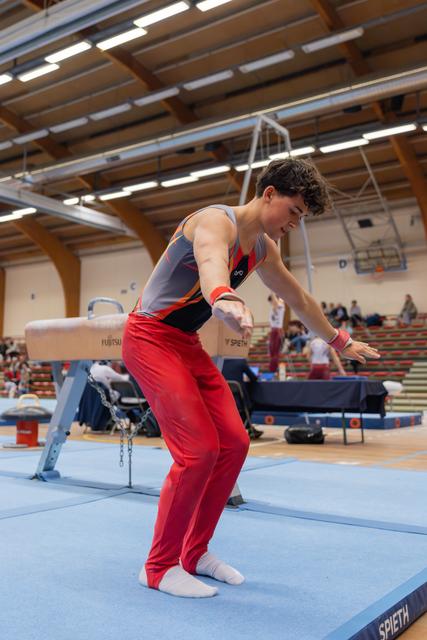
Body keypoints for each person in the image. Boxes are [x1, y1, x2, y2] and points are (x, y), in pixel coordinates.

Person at [122, 158, 380, 599]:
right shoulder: (212, 221)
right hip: (148, 337)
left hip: (184, 342)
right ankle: (159, 566)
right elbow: (209, 265)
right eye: (294, 212)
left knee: (235, 443)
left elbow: (297, 297)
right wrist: (224, 298)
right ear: (269, 194)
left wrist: (340, 341)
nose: (295, 224)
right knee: (198, 451)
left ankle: (194, 552)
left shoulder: (261, 247)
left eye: (303, 218)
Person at [267, 292, 285, 372]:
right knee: (271, 352)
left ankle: (273, 370)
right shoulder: (273, 308)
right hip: (273, 331)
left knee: (275, 353)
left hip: (277, 331)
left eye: (271, 301)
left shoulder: (280, 305)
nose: (271, 303)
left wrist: (272, 290)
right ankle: (273, 369)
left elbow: (275, 302)